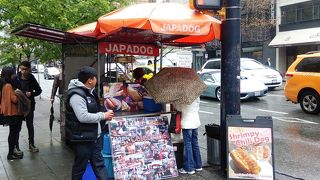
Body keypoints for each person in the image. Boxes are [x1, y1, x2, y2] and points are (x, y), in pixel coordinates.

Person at [65, 66, 114, 180]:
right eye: (95, 78)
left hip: (93, 137)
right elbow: (82, 116)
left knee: (99, 165)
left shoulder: (89, 92)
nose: (97, 80)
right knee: (80, 167)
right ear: (90, 80)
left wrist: (104, 117)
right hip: (82, 139)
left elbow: (93, 110)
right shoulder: (77, 95)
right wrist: (103, 116)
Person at [13, 61, 42, 153]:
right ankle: (16, 146)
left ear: (29, 69)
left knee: (30, 125)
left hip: (29, 105)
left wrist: (31, 93)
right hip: (19, 106)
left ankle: (31, 144)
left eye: (25, 69)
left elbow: (39, 90)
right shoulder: (15, 78)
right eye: (22, 69)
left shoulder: (31, 78)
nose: (23, 71)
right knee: (18, 126)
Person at [0, 66, 24, 160]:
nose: (14, 75)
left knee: (12, 133)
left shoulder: (2, 84)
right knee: (13, 133)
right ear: (9, 74)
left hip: (6, 112)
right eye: (13, 73)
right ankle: (10, 154)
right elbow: (14, 100)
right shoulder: (9, 86)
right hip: (13, 113)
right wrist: (19, 94)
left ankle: (11, 152)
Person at [175, 97, 202, 175]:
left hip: (187, 123)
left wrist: (175, 103)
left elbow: (179, 108)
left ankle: (189, 168)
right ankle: (198, 165)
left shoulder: (183, 97)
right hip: (195, 122)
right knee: (195, 144)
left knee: (188, 145)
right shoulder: (196, 95)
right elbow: (198, 107)